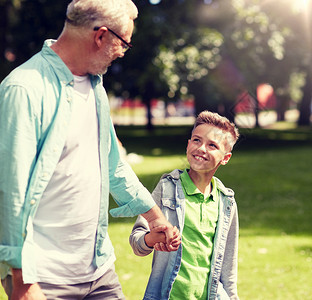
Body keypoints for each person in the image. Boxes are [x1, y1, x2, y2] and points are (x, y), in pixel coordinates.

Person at [0, 0, 180, 299]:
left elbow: (113, 164)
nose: (122, 52)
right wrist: (23, 280)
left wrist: (155, 218)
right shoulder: (24, 89)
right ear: (101, 36)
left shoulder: (94, 86)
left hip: (98, 272)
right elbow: (10, 193)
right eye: (123, 43)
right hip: (44, 280)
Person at [130, 111, 241, 300]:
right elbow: (137, 242)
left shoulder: (226, 202)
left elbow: (228, 268)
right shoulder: (166, 188)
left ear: (225, 157)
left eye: (212, 145)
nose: (201, 148)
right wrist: (152, 239)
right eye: (197, 140)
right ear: (188, 144)